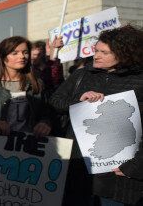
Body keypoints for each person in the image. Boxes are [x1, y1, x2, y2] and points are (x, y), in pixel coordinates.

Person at [48, 25, 143, 206]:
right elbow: (55, 101)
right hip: (78, 166)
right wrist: (78, 100)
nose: (96, 55)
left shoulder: (139, 80)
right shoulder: (83, 74)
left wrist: (136, 165)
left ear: (125, 54)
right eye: (96, 50)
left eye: (104, 52)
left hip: (119, 172)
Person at [0, 36, 52, 137]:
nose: (22, 56)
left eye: (25, 52)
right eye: (15, 53)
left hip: (27, 145)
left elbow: (46, 112)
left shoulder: (36, 83)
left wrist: (45, 123)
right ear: (3, 56)